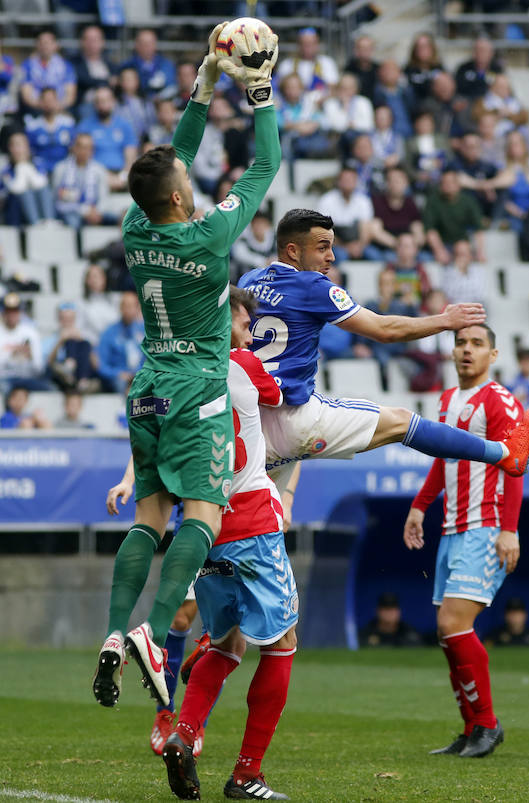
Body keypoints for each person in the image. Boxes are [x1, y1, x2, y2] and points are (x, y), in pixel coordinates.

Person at [91, 22, 282, 711]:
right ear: (179, 197)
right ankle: (149, 630)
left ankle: (114, 632)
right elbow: (265, 167)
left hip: (144, 387)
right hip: (196, 386)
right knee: (201, 510)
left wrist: (201, 89)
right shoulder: (208, 237)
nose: (191, 183)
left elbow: (173, 158)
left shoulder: (135, 229)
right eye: (185, 182)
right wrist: (259, 94)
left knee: (148, 516)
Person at [237, 209, 529, 494]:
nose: (331, 257)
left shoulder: (247, 281)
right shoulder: (313, 285)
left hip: (247, 423)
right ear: (292, 250)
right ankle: (504, 453)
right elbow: (384, 330)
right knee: (403, 422)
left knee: (250, 524)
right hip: (294, 417)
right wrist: (444, 321)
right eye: (322, 247)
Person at [155, 287, 297, 800]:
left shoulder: (172, 378)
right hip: (254, 521)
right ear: (225, 322)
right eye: (243, 318)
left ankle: (184, 732)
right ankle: (246, 773)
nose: (248, 327)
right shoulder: (243, 364)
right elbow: (284, 399)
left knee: (226, 642)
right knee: (281, 645)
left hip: (205, 528)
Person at [403, 323, 525, 758]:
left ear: (493, 355)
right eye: (460, 343)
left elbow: (515, 463)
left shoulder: (499, 400)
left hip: (486, 527)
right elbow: (442, 459)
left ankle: (488, 725)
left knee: (453, 624)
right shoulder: (448, 400)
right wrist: (420, 505)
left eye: (477, 344)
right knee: (447, 633)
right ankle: (473, 728)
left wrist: (509, 528)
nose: (466, 350)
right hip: (452, 529)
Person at [423, 169, 486, 265]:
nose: (448, 185)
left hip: (462, 243)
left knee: (462, 249)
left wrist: (480, 252)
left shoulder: (468, 201)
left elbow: (478, 228)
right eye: (444, 182)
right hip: (442, 244)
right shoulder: (433, 202)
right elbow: (430, 230)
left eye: (451, 182)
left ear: (458, 184)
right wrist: (439, 251)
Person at [19, 29, 77, 113]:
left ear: (56, 45)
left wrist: (57, 107)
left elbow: (70, 95)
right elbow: (26, 95)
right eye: (41, 43)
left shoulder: (66, 66)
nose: (44, 46)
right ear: (37, 45)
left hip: (60, 109)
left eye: (48, 43)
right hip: (36, 110)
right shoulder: (27, 65)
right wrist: (42, 106)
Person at [0, 292, 47, 392]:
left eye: (15, 311)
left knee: (49, 390)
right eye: (8, 311)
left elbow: (39, 368)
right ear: (3, 313)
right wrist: (11, 355)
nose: (12, 315)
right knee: (5, 388)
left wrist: (29, 356)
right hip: (4, 378)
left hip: (28, 378)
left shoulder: (31, 332)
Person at [25, 86, 75, 176]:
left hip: (64, 168)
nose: (48, 104)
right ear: (40, 102)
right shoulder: (32, 127)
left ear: (57, 101)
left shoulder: (68, 124)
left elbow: (73, 149)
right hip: (40, 169)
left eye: (51, 100)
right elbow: (29, 151)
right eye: (45, 100)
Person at [119, 28, 176, 100]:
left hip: (162, 105)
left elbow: (171, 86)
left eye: (150, 43)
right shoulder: (127, 66)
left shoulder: (166, 65)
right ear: (136, 45)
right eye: (143, 43)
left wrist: (160, 98)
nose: (147, 47)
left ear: (155, 45)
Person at [359, 592, 423, 647]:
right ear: (378, 611)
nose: (389, 614)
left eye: (392, 610)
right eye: (386, 609)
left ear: (398, 612)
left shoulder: (408, 632)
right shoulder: (367, 632)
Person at [454, 34, 504, 103]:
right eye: (477, 50)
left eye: (484, 50)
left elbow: (506, 91)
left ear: (491, 53)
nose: (480, 53)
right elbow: (457, 90)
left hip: (491, 105)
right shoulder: (463, 68)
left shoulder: (497, 70)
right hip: (468, 105)